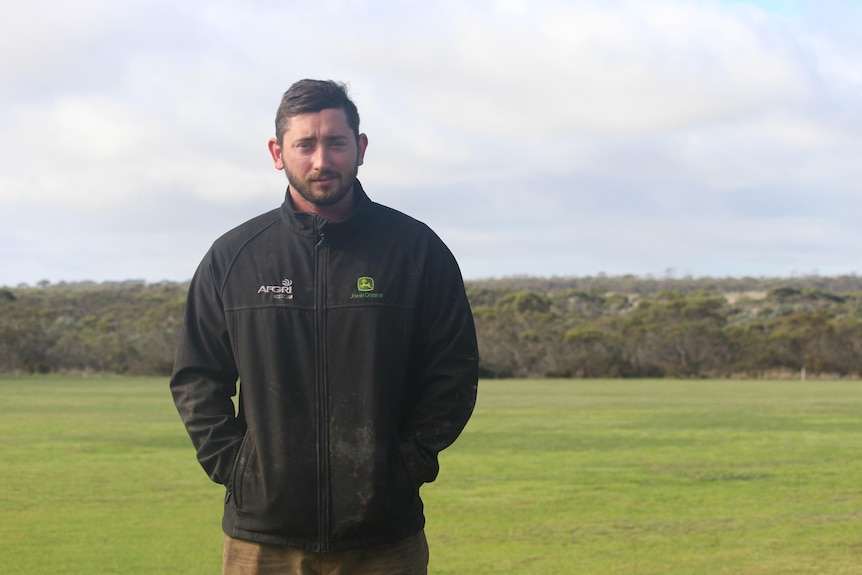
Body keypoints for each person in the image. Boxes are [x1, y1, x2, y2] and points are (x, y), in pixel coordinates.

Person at [170, 79, 479, 575]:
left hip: (384, 537)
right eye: (305, 145)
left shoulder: (417, 251)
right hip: (262, 540)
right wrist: (238, 468)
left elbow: (453, 373)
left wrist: (405, 466)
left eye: (336, 142)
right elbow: (196, 378)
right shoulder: (235, 258)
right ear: (277, 152)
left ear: (359, 147)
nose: (321, 160)